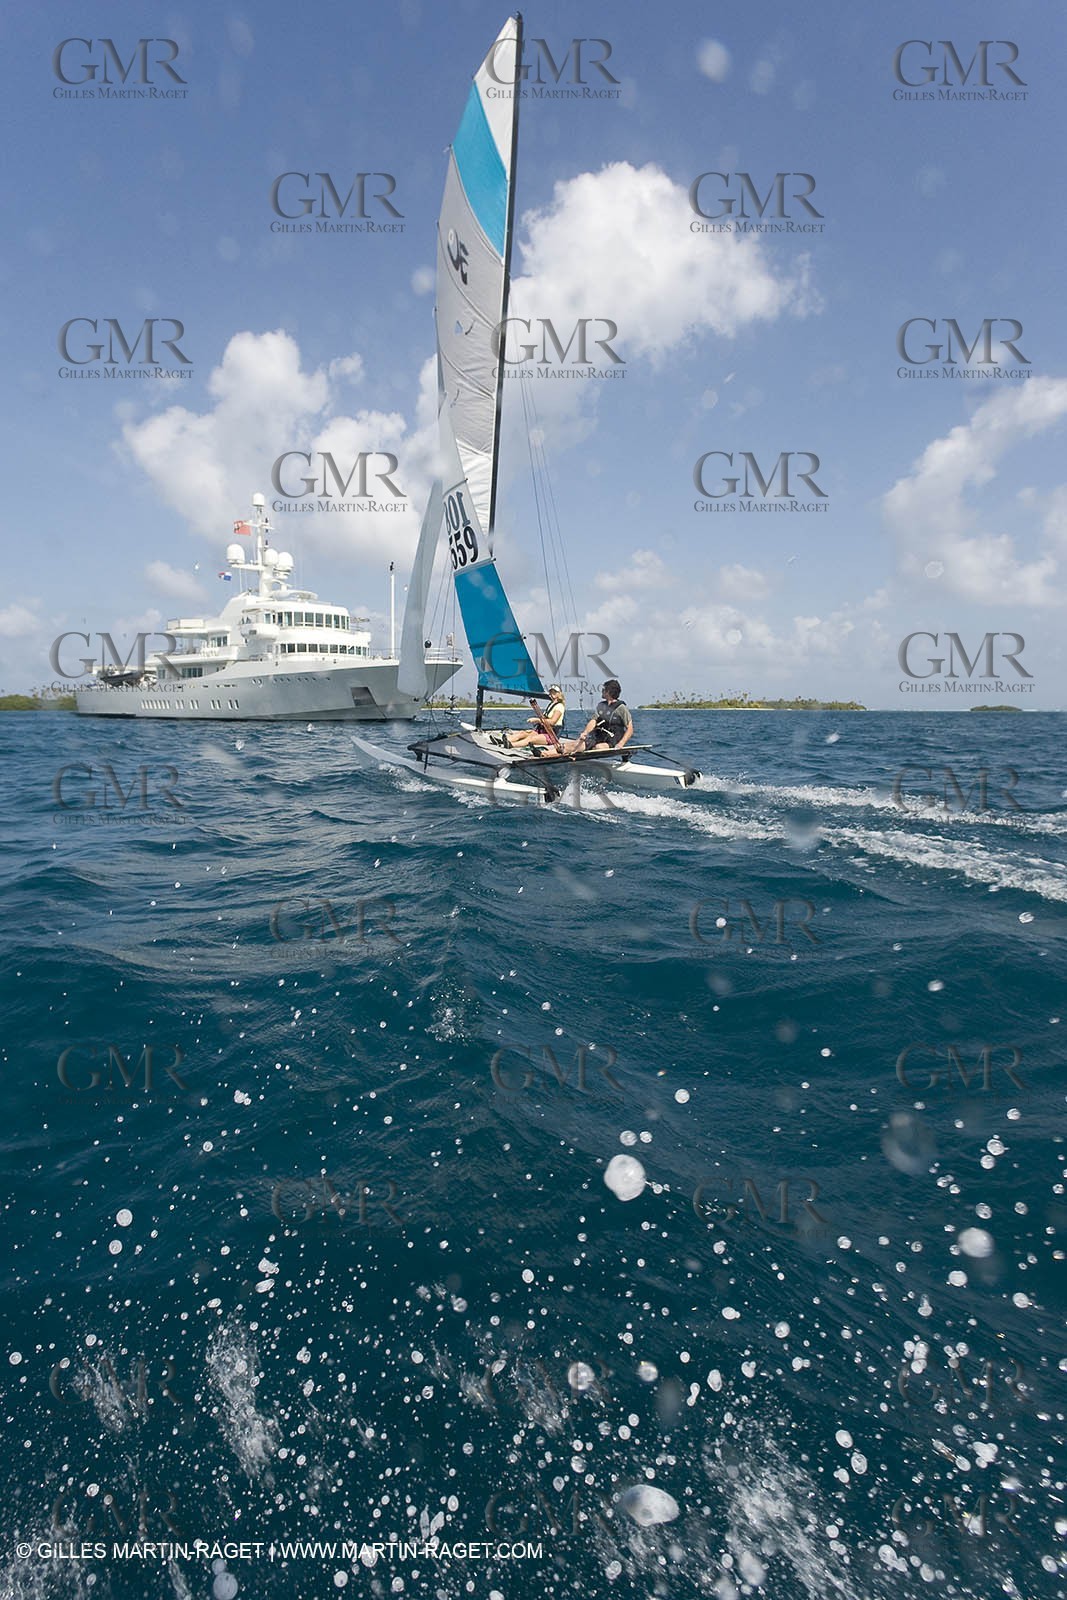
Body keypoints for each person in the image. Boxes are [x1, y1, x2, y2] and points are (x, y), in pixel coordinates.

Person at [559, 680, 634, 756]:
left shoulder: (621, 708)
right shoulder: (601, 705)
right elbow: (593, 721)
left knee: (598, 747)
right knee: (574, 745)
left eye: (603, 690)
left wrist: (621, 744)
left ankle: (579, 749)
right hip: (598, 736)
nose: (601, 691)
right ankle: (553, 752)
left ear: (608, 692)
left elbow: (630, 729)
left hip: (612, 740)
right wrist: (585, 733)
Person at [493, 685, 566, 749]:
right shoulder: (551, 704)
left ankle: (511, 745)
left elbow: (553, 722)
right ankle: (502, 741)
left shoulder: (559, 706)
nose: (551, 694)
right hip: (542, 731)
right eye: (550, 692)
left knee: (530, 738)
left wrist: (537, 720)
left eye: (554, 692)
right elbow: (544, 718)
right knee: (523, 733)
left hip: (551, 736)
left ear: (558, 694)